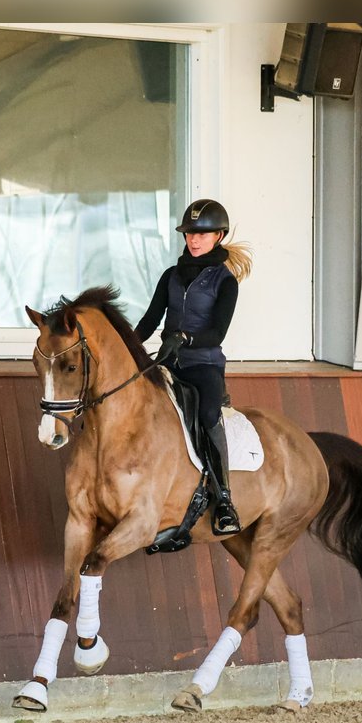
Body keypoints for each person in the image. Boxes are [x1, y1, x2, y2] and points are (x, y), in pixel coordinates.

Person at [135, 198, 251, 536]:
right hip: (168, 363)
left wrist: (184, 338)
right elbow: (149, 320)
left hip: (203, 366)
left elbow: (217, 332)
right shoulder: (171, 276)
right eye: (189, 234)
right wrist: (126, 344)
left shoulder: (225, 281)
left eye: (201, 234)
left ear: (218, 235)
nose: (194, 240)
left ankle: (225, 499)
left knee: (207, 416)